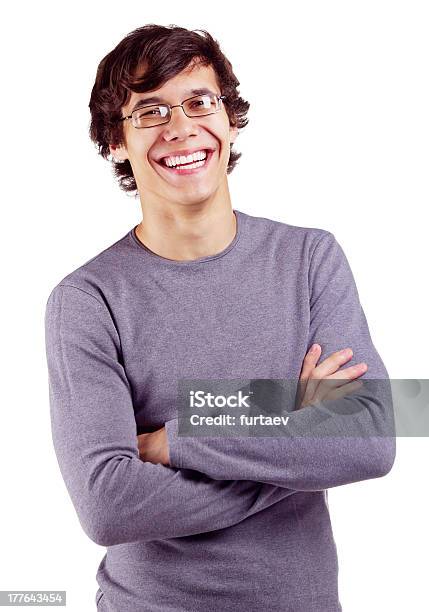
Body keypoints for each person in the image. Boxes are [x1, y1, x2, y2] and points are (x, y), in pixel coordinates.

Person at [44, 24, 396, 612]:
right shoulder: (86, 300)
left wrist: (175, 440)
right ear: (114, 141)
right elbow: (107, 505)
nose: (180, 127)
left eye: (199, 101)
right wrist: (292, 425)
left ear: (229, 120)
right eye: (150, 111)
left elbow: (374, 440)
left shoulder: (310, 258)